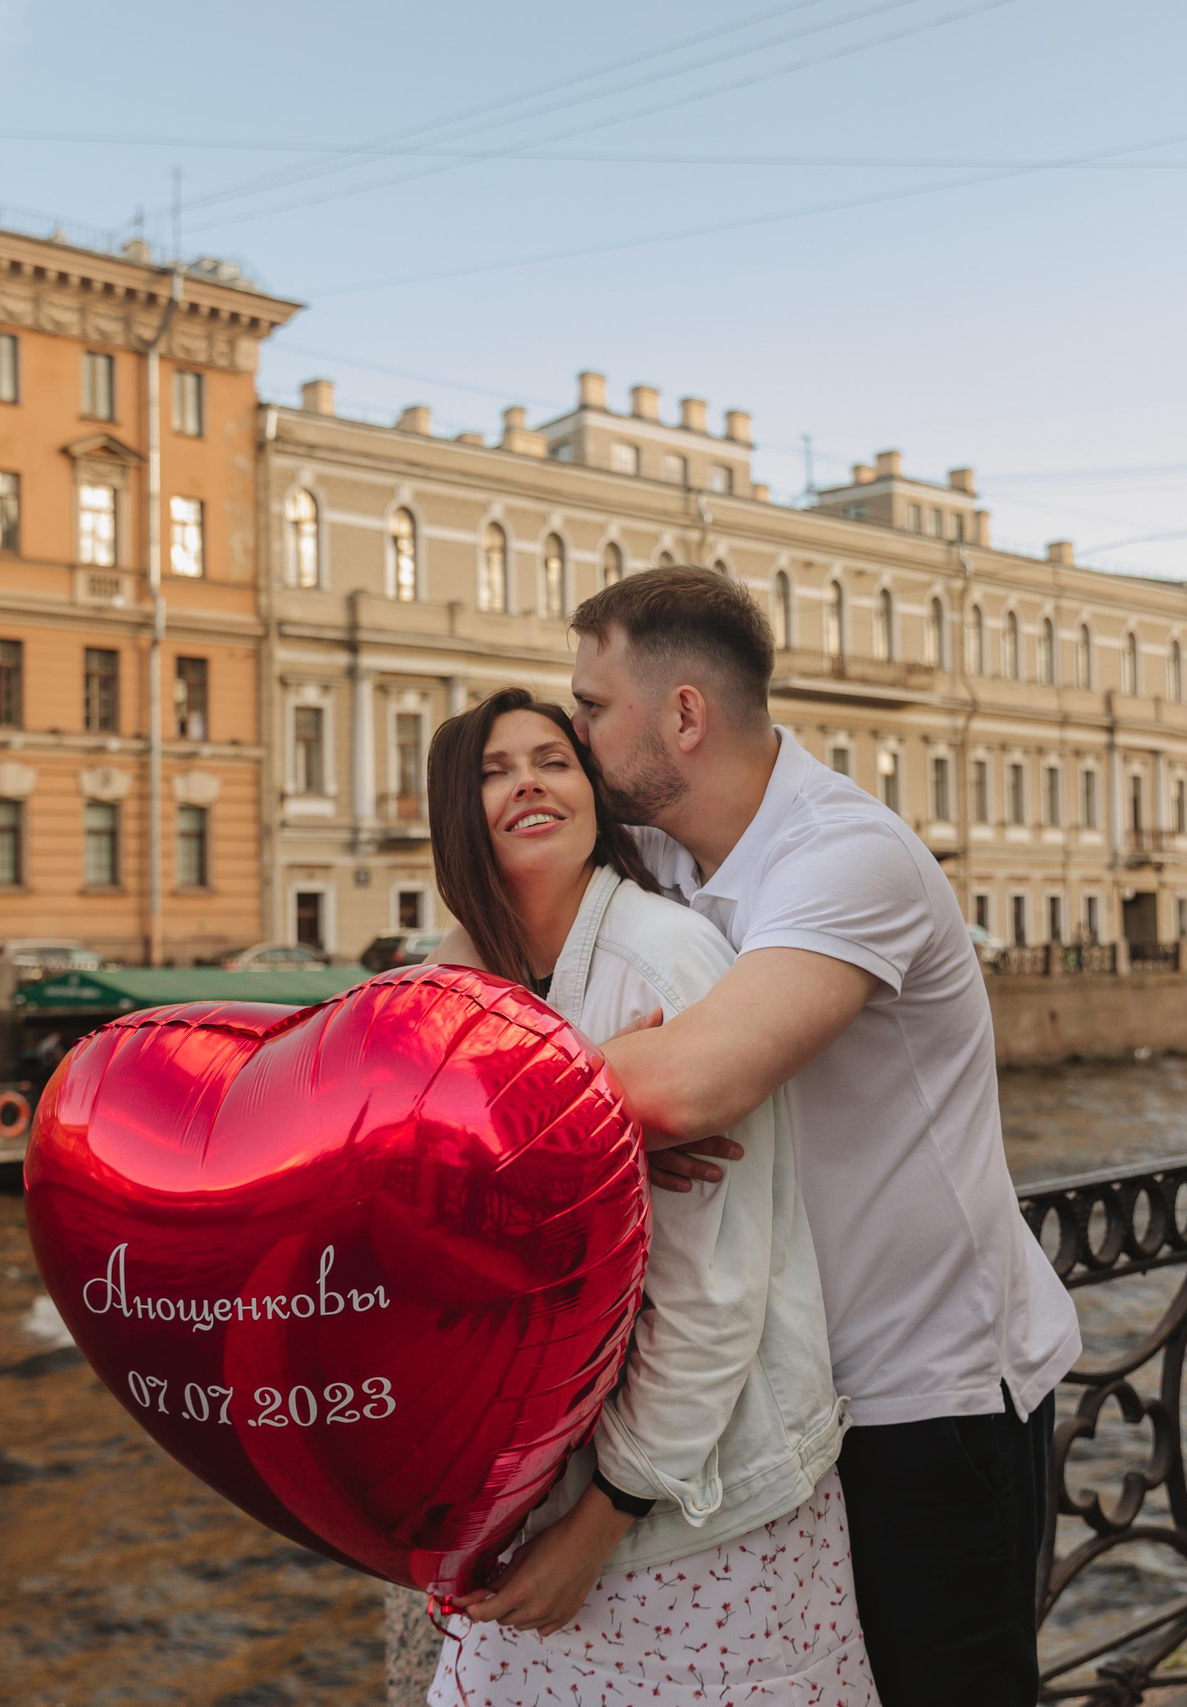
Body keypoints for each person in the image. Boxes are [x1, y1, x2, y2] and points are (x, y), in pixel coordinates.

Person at [564, 569, 1080, 1706]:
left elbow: (693, 1084)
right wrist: (621, 1113)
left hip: (927, 1398)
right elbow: (498, 941)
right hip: (791, 1398)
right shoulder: (659, 859)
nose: (577, 736)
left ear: (682, 716)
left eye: (593, 709)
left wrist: (630, 1102)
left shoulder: (848, 856)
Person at [422, 686, 870, 1705]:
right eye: (493, 769)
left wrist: (599, 1523)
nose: (529, 780)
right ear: (456, 810)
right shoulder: (454, 990)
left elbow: (715, 1298)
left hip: (688, 1514)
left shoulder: (662, 960)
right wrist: (582, 1139)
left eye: (553, 758)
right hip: (538, 1505)